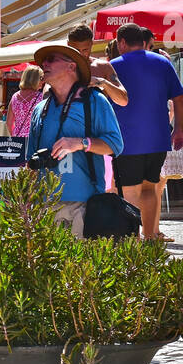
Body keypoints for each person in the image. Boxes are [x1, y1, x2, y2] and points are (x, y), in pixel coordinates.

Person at [25, 43, 124, 238]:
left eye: (51, 59)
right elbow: (30, 162)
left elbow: (115, 145)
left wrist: (81, 143)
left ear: (71, 66)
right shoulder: (40, 109)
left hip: (83, 206)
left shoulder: (94, 101)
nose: (44, 64)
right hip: (44, 206)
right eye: (43, 61)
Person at [109, 24, 183, 242]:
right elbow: (179, 99)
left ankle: (132, 240)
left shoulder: (113, 66)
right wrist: (179, 128)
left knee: (130, 191)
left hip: (127, 140)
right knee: (150, 188)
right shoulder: (162, 62)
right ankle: (151, 235)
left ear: (122, 42)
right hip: (158, 139)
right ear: (142, 42)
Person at [67, 25, 129, 107]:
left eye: (85, 49)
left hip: (96, 119)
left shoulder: (103, 67)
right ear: (68, 45)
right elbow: (47, 96)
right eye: (76, 50)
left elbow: (123, 100)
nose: (81, 54)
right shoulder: (59, 67)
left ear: (91, 44)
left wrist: (102, 82)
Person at [6, 65, 44, 137]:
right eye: (41, 78)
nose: (43, 81)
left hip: (17, 139)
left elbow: (9, 123)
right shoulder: (41, 97)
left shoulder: (14, 97)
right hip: (34, 138)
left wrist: (14, 135)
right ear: (35, 80)